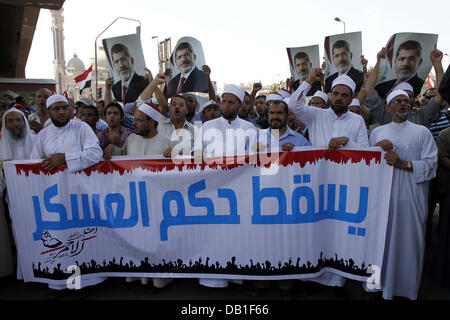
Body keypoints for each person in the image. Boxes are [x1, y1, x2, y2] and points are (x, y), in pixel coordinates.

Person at [369, 89, 437, 299]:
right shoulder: (377, 133)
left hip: (411, 200)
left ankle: (407, 290)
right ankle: (377, 286)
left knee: (409, 245)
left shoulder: (422, 132)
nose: (403, 104)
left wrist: (402, 163)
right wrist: (377, 150)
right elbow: (366, 165)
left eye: (406, 101)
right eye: (397, 101)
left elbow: (431, 165)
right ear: (388, 107)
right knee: (380, 243)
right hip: (383, 201)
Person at [362, 47, 445, 128]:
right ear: (389, 103)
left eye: (408, 97)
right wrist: (378, 62)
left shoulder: (421, 116)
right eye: (399, 98)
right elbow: (368, 91)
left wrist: (437, 64)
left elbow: (440, 95)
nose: (403, 102)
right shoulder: (384, 115)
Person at [289, 69, 369, 148]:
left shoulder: (357, 120)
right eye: (336, 94)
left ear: (351, 99)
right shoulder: (315, 115)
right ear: (331, 96)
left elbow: (366, 152)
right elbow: (293, 105)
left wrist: (347, 142)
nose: (339, 98)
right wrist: (310, 80)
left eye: (344, 95)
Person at [0, 107, 36, 281]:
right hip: (14, 199)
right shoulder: (1, 146)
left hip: (36, 197)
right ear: (5, 124)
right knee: (20, 233)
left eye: (19, 120)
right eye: (11, 120)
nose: (16, 124)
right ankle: (25, 271)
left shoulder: (36, 140)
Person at [31, 94, 103, 173]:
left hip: (78, 182)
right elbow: (34, 162)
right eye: (56, 109)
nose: (61, 112)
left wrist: (66, 158)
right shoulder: (43, 134)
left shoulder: (81, 127)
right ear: (48, 112)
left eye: (64, 108)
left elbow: (95, 154)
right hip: (53, 183)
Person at [103, 102, 170, 159]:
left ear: (151, 122)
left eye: (139, 120)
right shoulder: (131, 138)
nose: (134, 123)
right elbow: (123, 154)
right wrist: (113, 149)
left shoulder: (166, 143)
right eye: (134, 119)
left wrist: (174, 154)